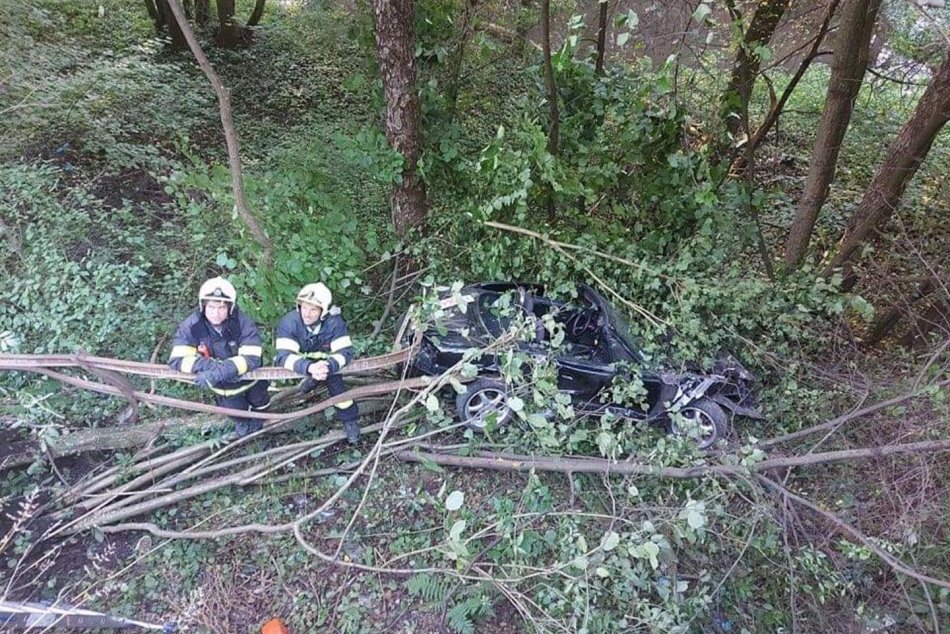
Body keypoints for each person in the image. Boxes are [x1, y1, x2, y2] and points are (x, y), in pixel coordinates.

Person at [168, 276, 269, 437]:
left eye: (221, 308)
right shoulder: (193, 326)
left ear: (230, 307)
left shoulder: (242, 323)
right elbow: (177, 359)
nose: (216, 313)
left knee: (261, 402)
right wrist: (207, 366)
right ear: (203, 306)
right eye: (211, 307)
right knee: (236, 411)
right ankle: (243, 424)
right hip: (223, 388)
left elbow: (252, 357)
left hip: (252, 379)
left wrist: (218, 372)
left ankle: (263, 422)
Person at [275, 282, 360, 444]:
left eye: (313, 309)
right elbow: (284, 356)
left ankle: (350, 422)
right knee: (303, 388)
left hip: (327, 367)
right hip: (301, 367)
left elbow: (345, 352)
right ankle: (310, 382)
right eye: (304, 307)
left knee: (340, 393)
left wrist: (328, 366)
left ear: (323, 311)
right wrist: (309, 367)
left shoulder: (335, 323)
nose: (306, 314)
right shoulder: (289, 322)